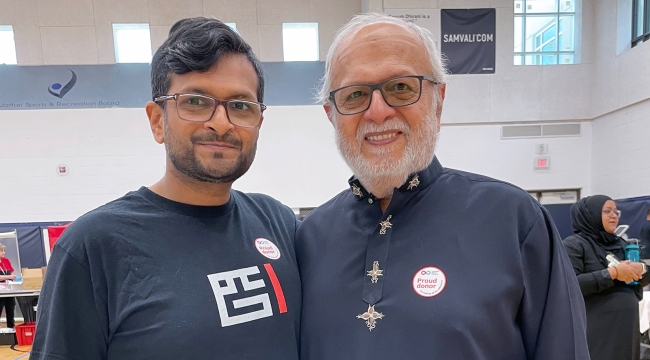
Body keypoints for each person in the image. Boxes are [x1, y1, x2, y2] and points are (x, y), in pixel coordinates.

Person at [296, 12, 589, 359]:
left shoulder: (512, 220)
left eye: (401, 87)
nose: (377, 112)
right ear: (331, 114)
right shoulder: (310, 238)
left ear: (438, 100)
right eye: (355, 94)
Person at [31, 17, 300, 360]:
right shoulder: (93, 248)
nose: (221, 122)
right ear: (157, 121)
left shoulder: (279, 223)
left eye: (240, 105)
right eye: (195, 102)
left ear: (258, 123)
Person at [564, 195, 650, 360]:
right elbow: (570, 284)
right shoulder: (574, 245)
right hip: (596, 326)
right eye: (607, 211)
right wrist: (613, 274)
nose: (614, 215)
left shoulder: (622, 244)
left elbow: (645, 276)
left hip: (627, 326)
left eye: (616, 212)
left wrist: (642, 268)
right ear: (591, 215)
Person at [0, 243, 16, 328]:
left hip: (8, 289)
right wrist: (9, 276)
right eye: (1, 251)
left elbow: (11, 272)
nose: (3, 252)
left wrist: (13, 277)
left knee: (10, 309)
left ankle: (11, 328)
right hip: (0, 291)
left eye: (4, 251)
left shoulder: (6, 260)